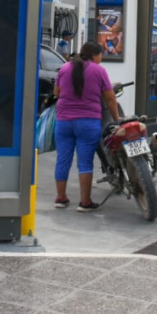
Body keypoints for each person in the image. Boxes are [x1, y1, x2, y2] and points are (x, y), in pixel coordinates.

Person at [54, 42, 121, 211]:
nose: (101, 58)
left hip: (64, 122)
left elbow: (57, 93)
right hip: (88, 122)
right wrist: (117, 119)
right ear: (94, 55)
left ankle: (61, 198)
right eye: (100, 55)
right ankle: (85, 202)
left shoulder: (65, 68)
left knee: (62, 160)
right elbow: (110, 98)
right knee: (85, 163)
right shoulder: (99, 71)